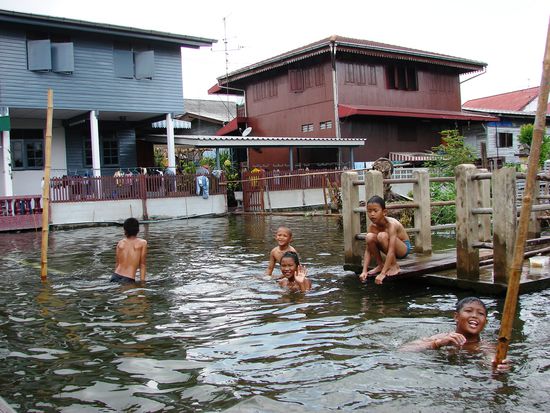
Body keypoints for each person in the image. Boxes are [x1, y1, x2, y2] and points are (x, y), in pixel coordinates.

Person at [401, 297, 510, 372]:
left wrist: (498, 365)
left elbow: (492, 359)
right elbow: (404, 350)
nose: (475, 315)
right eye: (468, 311)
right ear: (456, 317)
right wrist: (437, 344)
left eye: (480, 313)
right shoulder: (441, 338)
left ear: (485, 322)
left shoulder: (484, 346)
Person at [358, 195, 411, 284]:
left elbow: (391, 250)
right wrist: (364, 271)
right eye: (369, 211)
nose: (372, 214)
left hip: (403, 248)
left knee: (382, 236)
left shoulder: (391, 225)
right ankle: (380, 265)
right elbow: (368, 250)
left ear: (384, 212)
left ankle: (394, 266)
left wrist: (382, 274)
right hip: (389, 248)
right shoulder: (372, 226)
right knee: (369, 237)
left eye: (375, 211)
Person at [111, 217, 148, 284]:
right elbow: (142, 265)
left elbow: (117, 263)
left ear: (125, 230)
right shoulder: (143, 243)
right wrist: (142, 283)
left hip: (115, 275)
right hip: (128, 278)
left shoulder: (120, 243)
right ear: (138, 229)